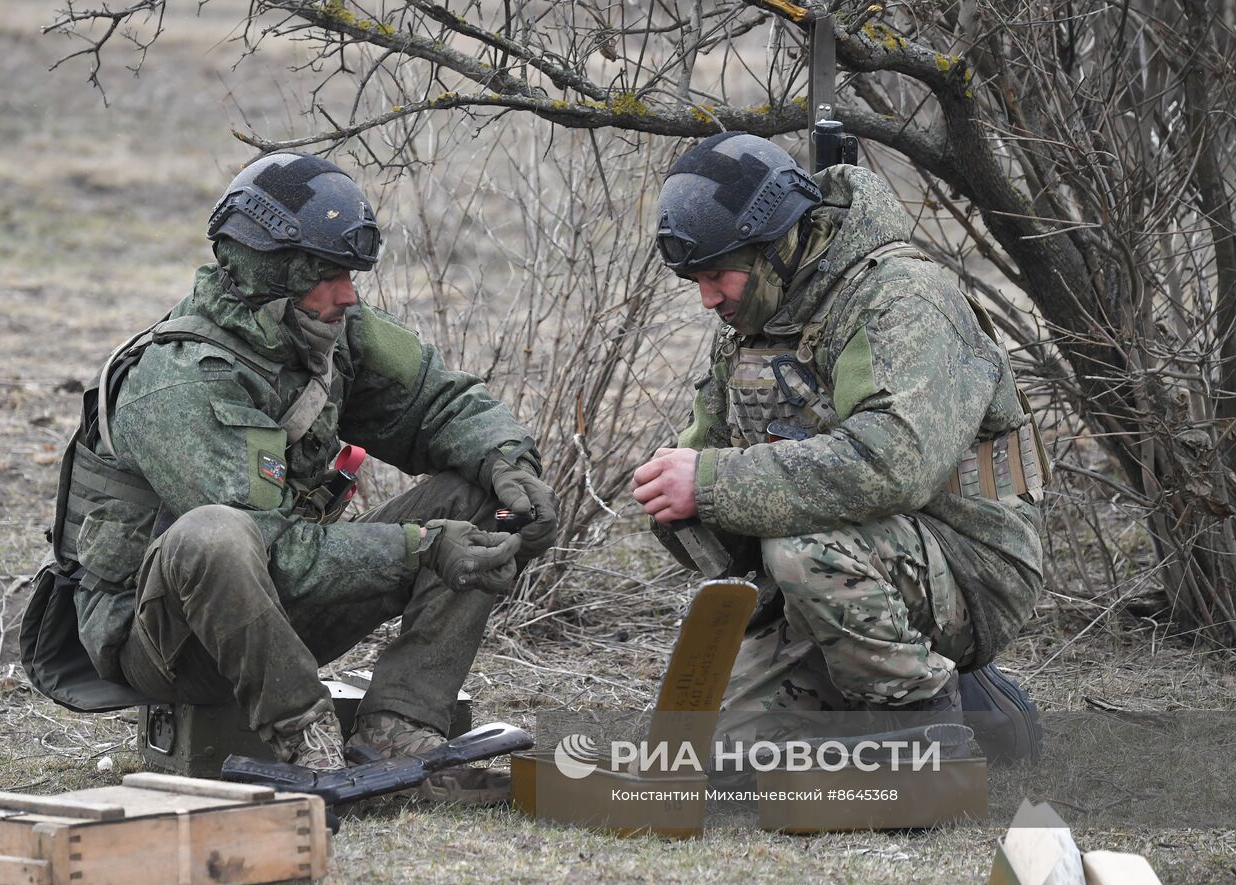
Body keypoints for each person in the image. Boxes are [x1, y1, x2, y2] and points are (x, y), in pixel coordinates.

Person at [51, 152, 557, 799]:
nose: (348, 293)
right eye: (328, 275)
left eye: (349, 275)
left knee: (479, 491)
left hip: (283, 610)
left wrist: (510, 462)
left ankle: (400, 724)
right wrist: (425, 545)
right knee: (214, 536)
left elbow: (437, 399)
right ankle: (307, 742)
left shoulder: (329, 331)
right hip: (172, 644)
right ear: (274, 275)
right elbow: (276, 550)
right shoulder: (179, 381)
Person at [632, 131, 1044, 762]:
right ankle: (979, 711)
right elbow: (711, 462)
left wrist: (714, 485)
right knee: (715, 760)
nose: (707, 298)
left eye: (719, 276)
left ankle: (923, 722)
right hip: (828, 579)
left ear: (777, 245)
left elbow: (894, 462)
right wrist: (680, 501)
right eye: (696, 279)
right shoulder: (754, 320)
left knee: (803, 545)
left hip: (970, 566)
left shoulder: (906, 299)